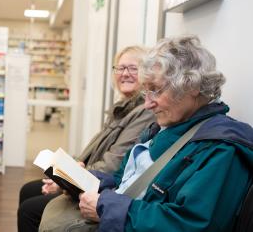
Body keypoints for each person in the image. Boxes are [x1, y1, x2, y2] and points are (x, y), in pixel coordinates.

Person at [39, 35, 253, 232]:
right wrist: (84, 180)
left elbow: (190, 224)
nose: (148, 103)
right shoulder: (168, 127)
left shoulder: (221, 150)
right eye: (146, 91)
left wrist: (105, 207)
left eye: (156, 90)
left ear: (192, 86)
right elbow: (124, 180)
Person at [17, 46, 156, 231]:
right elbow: (93, 152)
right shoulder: (122, 107)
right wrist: (66, 175)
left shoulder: (144, 112)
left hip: (101, 189)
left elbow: (113, 164)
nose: (125, 74)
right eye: (120, 68)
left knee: (29, 209)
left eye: (132, 68)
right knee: (28, 190)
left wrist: (68, 181)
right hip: (88, 179)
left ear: (146, 74)